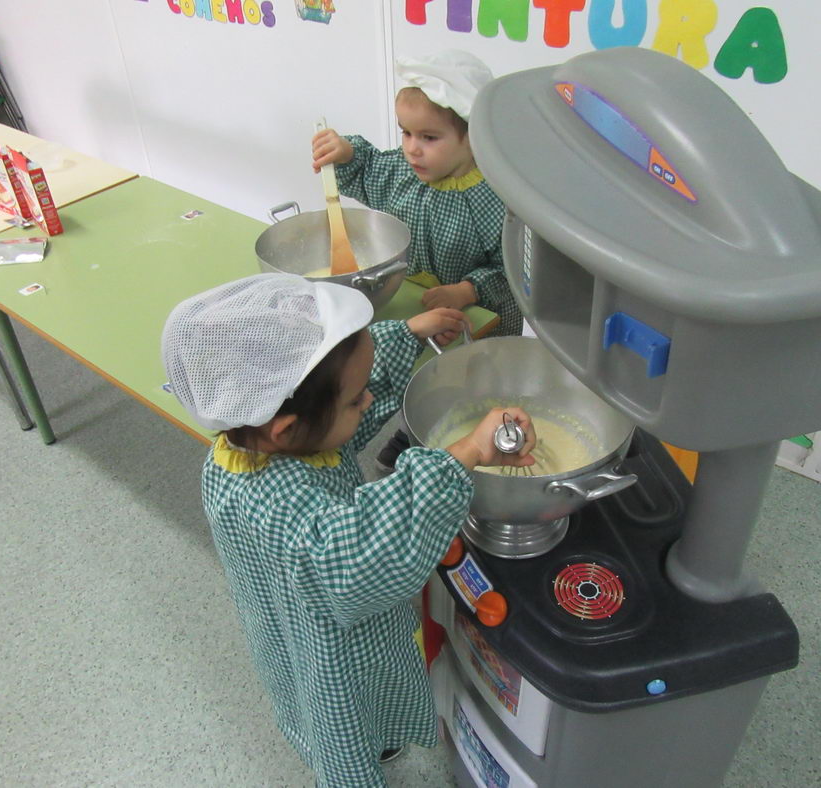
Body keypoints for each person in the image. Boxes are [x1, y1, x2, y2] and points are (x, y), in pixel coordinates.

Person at [161, 273, 536, 788]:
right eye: (359, 399)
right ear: (287, 429)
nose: (368, 405)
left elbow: (333, 400)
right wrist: (468, 452)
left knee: (357, 701)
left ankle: (379, 737)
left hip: (287, 609)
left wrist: (408, 334)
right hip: (329, 644)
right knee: (342, 719)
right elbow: (363, 549)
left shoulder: (248, 443)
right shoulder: (288, 513)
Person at [311, 49, 521, 338]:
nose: (412, 148)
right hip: (413, 310)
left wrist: (467, 290)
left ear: (475, 137)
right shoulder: (400, 171)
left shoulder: (497, 197)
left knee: (474, 375)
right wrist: (347, 153)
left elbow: (513, 268)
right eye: (406, 132)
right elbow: (367, 169)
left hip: (477, 321)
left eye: (429, 137)